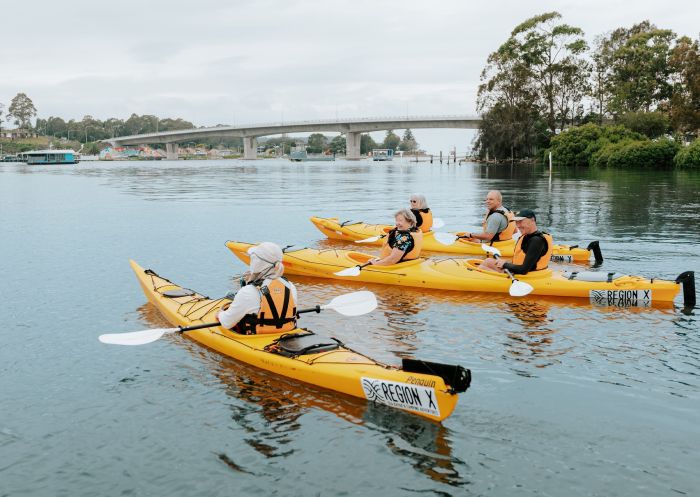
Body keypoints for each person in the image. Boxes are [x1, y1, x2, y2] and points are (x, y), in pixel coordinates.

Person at [217, 242, 298, 334]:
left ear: (257, 263)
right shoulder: (291, 287)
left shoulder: (248, 292)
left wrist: (219, 314)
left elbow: (226, 323)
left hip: (257, 339)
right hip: (287, 335)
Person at [479, 209, 553, 274]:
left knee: (481, 268)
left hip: (527, 276)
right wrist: (506, 264)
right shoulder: (527, 236)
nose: (518, 225)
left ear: (532, 220)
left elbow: (524, 270)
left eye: (520, 221)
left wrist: (504, 264)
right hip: (518, 271)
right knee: (488, 260)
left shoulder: (536, 240)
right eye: (516, 222)